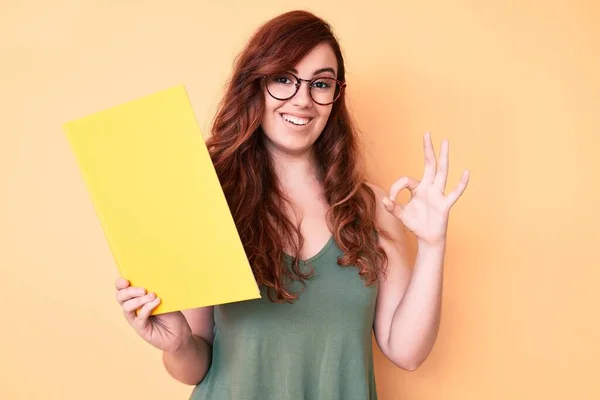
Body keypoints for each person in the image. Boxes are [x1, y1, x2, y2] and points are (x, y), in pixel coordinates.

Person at [114, 9, 469, 400]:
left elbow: (407, 352)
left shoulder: (371, 206)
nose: (302, 100)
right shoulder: (210, 197)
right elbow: (195, 365)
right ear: (255, 85)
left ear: (336, 96)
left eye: (320, 83)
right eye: (283, 79)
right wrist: (178, 343)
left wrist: (433, 245)